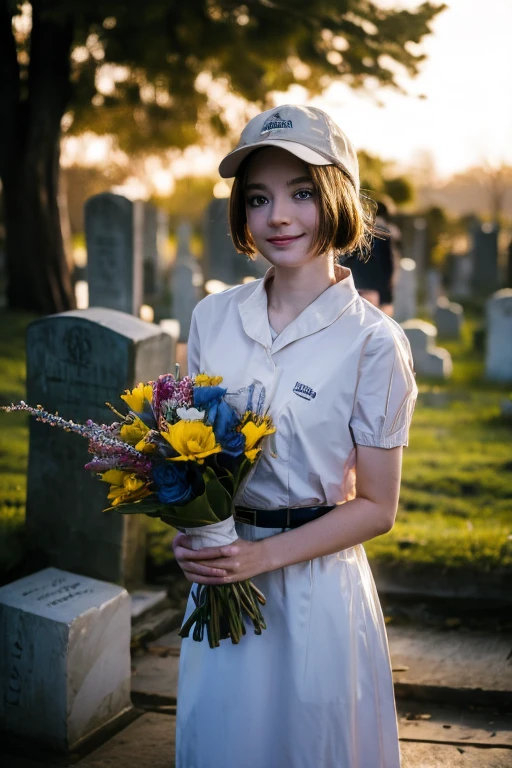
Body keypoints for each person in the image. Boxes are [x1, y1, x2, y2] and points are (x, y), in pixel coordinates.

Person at [172, 104, 418, 768]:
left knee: (311, 748)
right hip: (220, 583)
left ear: (337, 196)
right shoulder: (213, 317)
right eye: (259, 198)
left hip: (317, 593)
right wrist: (190, 527)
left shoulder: (374, 342)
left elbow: (378, 507)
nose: (278, 215)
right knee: (220, 743)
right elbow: (192, 452)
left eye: (301, 192)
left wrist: (260, 560)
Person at [344, 198, 402, 316]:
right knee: (377, 316)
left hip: (358, 278)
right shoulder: (385, 232)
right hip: (377, 281)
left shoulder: (360, 228)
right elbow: (388, 261)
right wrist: (390, 282)